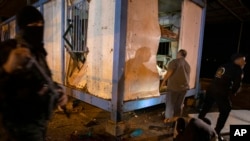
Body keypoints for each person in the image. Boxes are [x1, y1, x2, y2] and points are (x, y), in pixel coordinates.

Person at [0, 6, 68, 141]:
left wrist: (59, 93)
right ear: (22, 27)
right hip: (15, 129)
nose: (39, 27)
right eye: (34, 24)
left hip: (38, 125)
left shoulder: (38, 51)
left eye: (41, 24)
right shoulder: (7, 50)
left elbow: (44, 80)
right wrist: (8, 67)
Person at [198, 53, 246, 141]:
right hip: (221, 92)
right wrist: (234, 91)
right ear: (237, 60)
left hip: (212, 88)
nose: (245, 62)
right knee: (226, 109)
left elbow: (218, 77)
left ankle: (198, 122)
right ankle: (216, 132)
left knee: (206, 106)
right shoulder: (238, 70)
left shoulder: (223, 66)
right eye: (243, 60)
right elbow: (237, 85)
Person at [160, 49, 190, 123]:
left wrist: (163, 82)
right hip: (184, 89)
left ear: (179, 54)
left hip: (174, 88)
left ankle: (168, 121)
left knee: (170, 105)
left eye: (177, 53)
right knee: (179, 105)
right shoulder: (187, 65)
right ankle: (176, 120)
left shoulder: (174, 62)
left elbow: (169, 72)